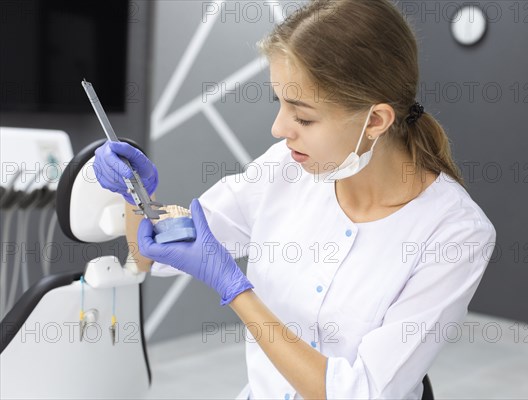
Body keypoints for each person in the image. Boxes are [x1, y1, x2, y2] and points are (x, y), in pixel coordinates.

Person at [93, 0, 497, 398]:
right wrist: (134, 192)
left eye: (303, 116)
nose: (279, 128)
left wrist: (236, 290)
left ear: (375, 120)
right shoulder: (284, 168)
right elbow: (146, 256)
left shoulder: (456, 234)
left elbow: (361, 393)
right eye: (279, 103)